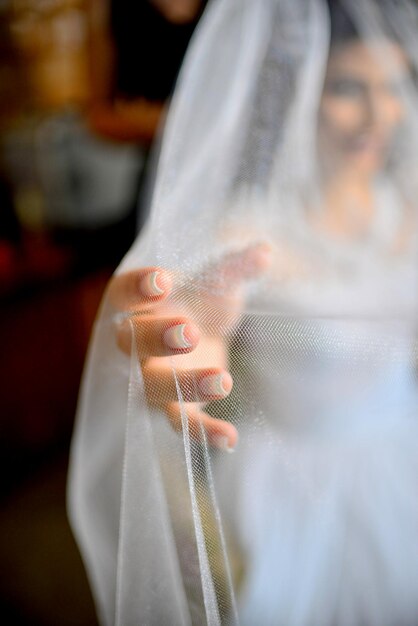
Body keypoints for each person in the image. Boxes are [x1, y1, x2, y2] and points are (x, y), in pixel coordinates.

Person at [68, 0, 418, 624]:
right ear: (299, 89)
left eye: (394, 85)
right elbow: (184, 315)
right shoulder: (249, 234)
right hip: (297, 491)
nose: (379, 113)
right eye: (346, 87)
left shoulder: (409, 205)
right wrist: (175, 341)